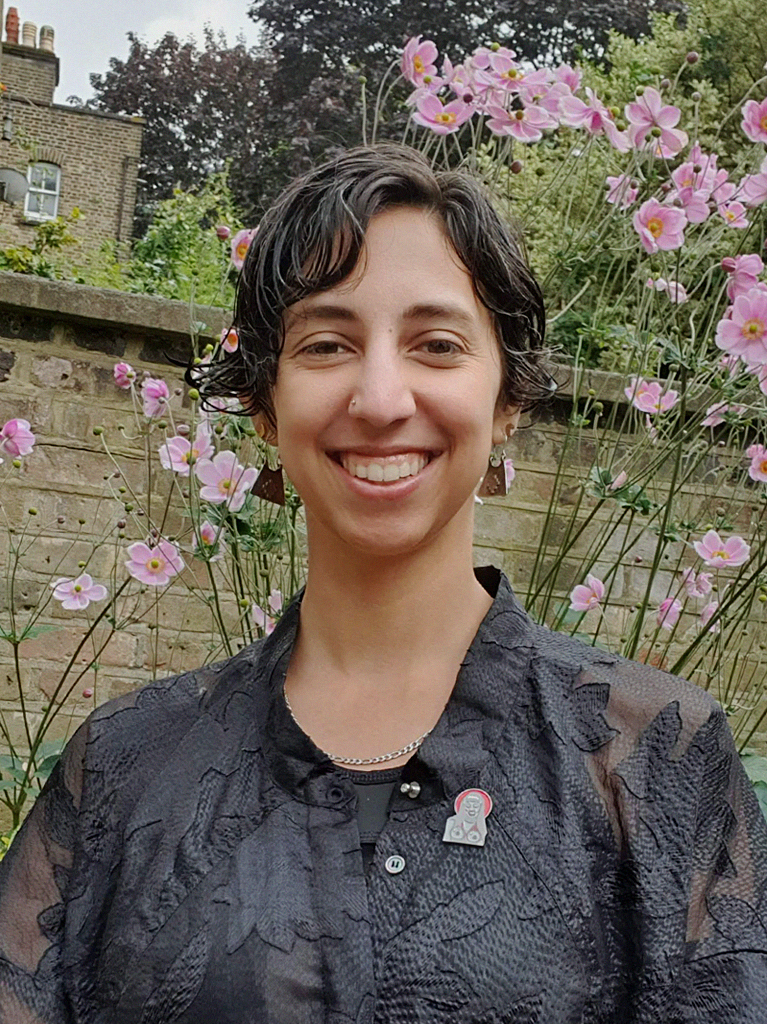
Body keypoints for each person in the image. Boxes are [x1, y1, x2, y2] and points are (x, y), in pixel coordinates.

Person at [1, 143, 766, 1023]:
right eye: (326, 344)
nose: (379, 396)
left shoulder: (652, 757)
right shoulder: (127, 768)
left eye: (436, 345)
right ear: (265, 403)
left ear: (507, 399)